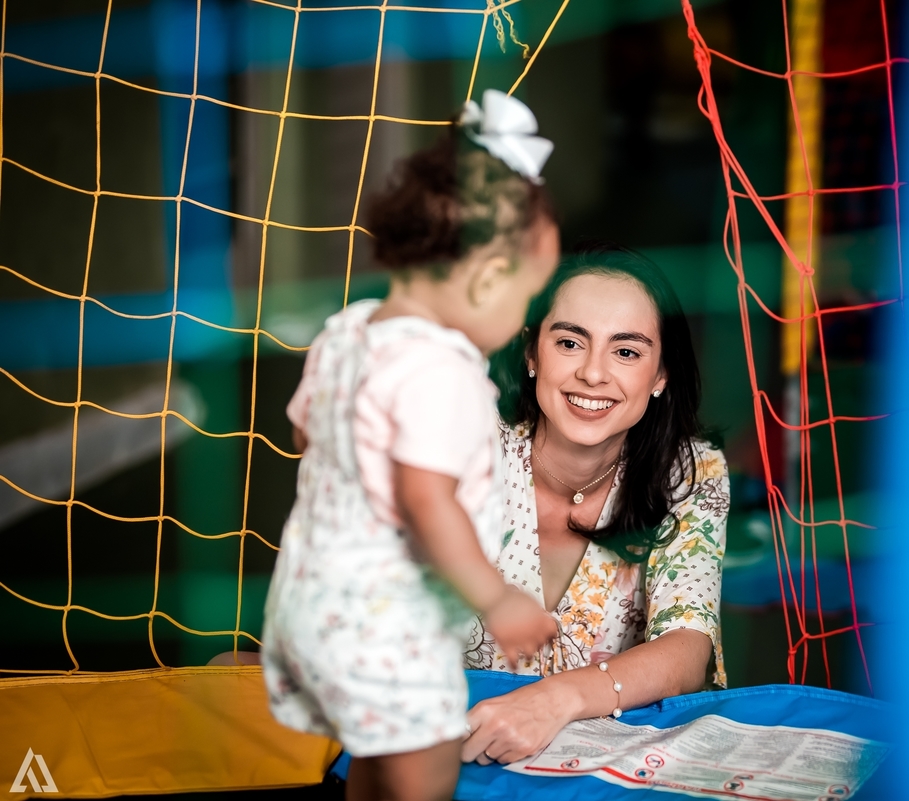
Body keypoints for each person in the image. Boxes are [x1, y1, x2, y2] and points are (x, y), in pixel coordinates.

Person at [258, 91, 561, 801]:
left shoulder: (351, 329)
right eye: (525, 300)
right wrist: (498, 598)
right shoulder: (442, 370)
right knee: (425, 771)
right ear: (488, 279)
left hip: (311, 605)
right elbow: (425, 498)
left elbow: (304, 426)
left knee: (375, 752)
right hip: (385, 620)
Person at [461, 245, 730, 765]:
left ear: (660, 376)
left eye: (626, 351)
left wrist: (554, 701)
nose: (592, 373)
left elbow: (688, 647)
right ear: (532, 353)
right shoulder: (462, 451)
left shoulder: (691, 473)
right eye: (569, 342)